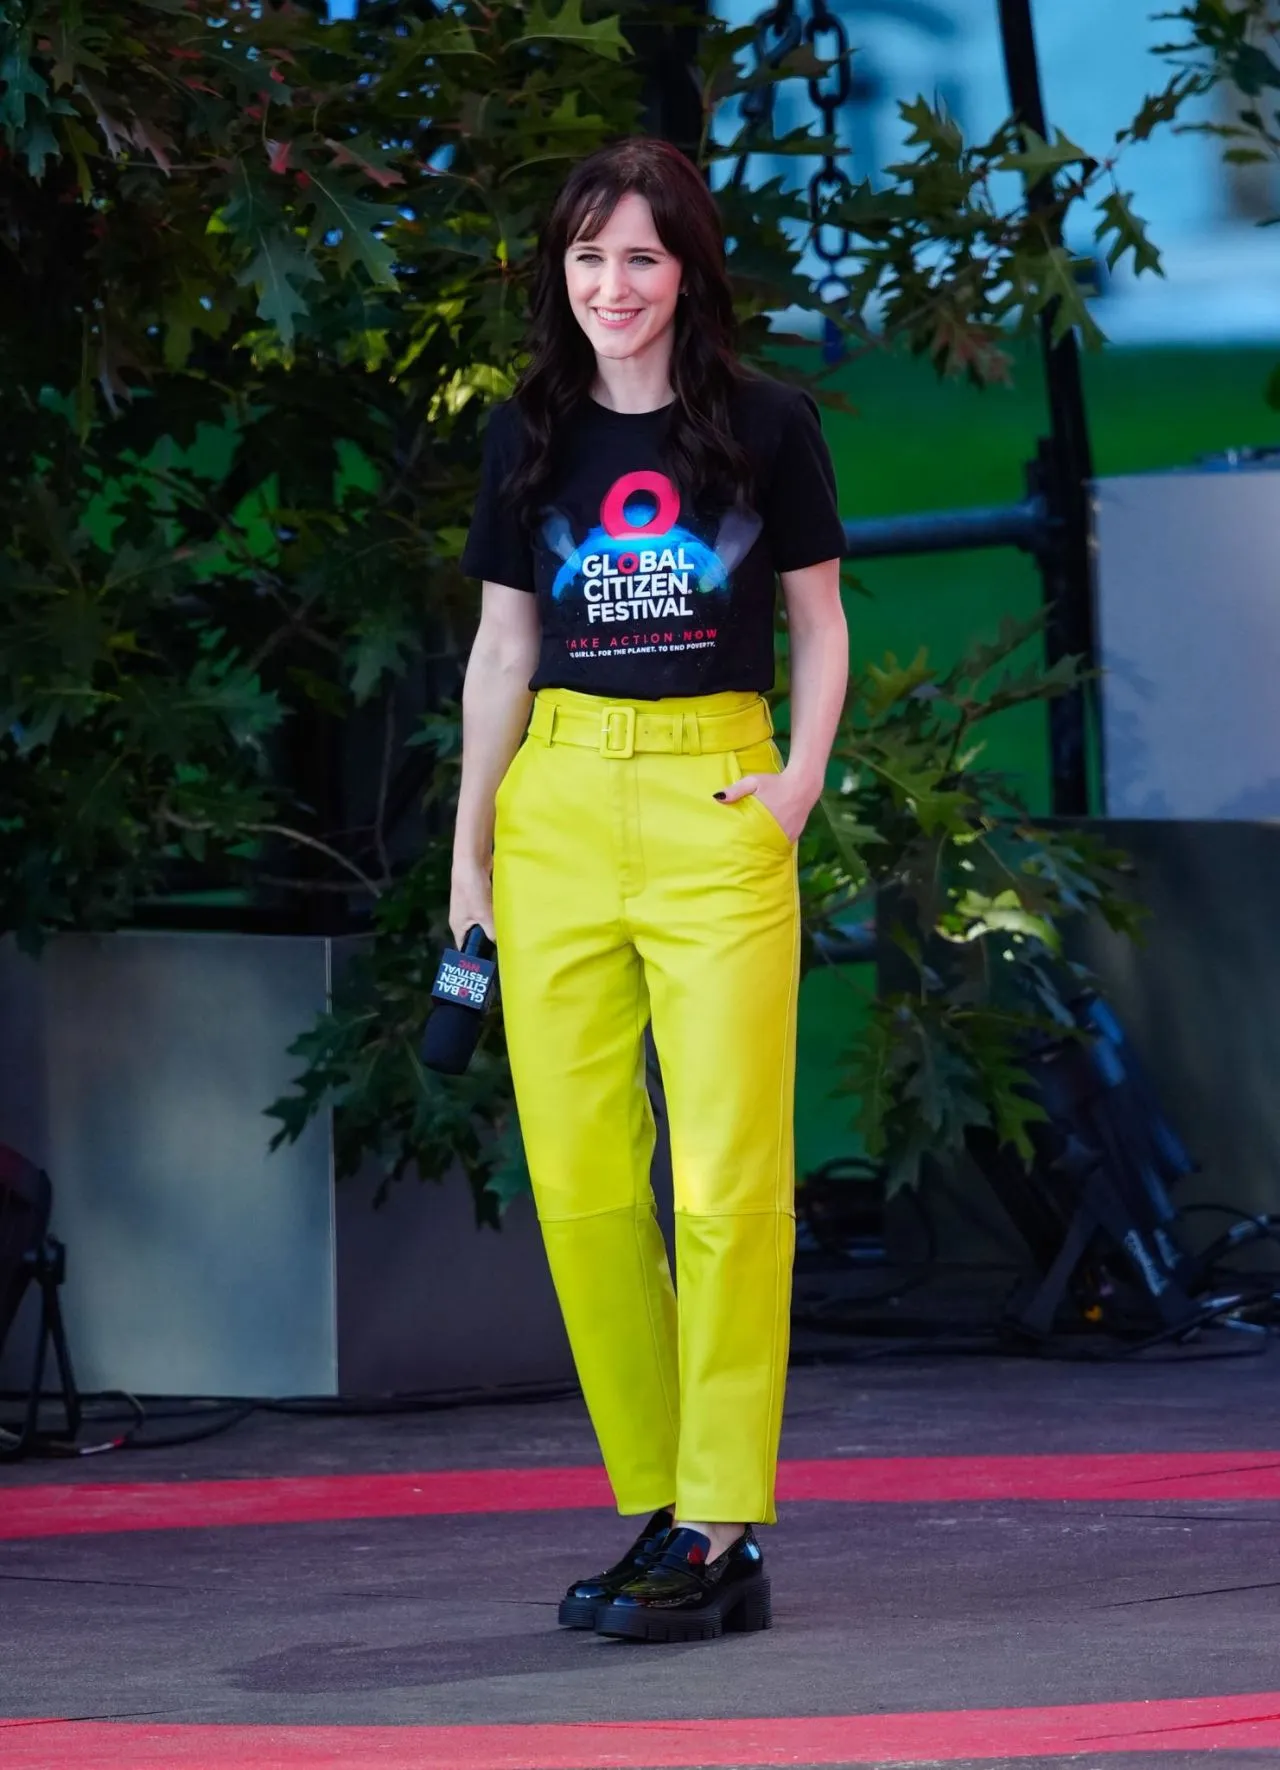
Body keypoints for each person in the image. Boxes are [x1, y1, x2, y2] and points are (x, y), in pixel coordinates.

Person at [453, 136, 848, 1644]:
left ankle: (718, 1519)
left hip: (714, 796)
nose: (610, 286)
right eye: (585, 258)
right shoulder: (528, 433)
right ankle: (668, 1503)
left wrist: (800, 780)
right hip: (555, 801)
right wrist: (469, 855)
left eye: (639, 257)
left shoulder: (763, 423)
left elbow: (818, 624)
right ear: (561, 274)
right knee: (584, 1181)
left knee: (729, 1183)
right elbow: (499, 650)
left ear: (688, 268)